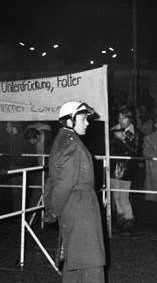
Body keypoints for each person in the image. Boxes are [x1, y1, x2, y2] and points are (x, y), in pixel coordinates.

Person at [43, 101, 105, 282]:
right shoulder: (70, 144)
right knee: (91, 262)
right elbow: (64, 182)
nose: (87, 123)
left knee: (75, 261)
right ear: (69, 120)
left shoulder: (67, 140)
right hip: (80, 207)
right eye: (83, 119)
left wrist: (55, 209)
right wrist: (54, 210)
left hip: (77, 205)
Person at [109, 107, 143, 235]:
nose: (121, 120)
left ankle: (129, 223)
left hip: (127, 170)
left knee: (124, 198)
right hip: (113, 169)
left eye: (124, 118)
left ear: (130, 119)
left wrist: (124, 139)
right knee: (116, 198)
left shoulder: (137, 134)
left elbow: (135, 152)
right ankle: (121, 222)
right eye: (119, 118)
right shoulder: (112, 130)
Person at [6, 122, 31, 212]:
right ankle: (20, 214)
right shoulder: (19, 137)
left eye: (8, 127)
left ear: (13, 128)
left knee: (18, 192)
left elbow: (17, 154)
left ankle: (18, 214)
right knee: (20, 192)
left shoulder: (18, 138)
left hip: (18, 167)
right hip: (19, 167)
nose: (6, 129)